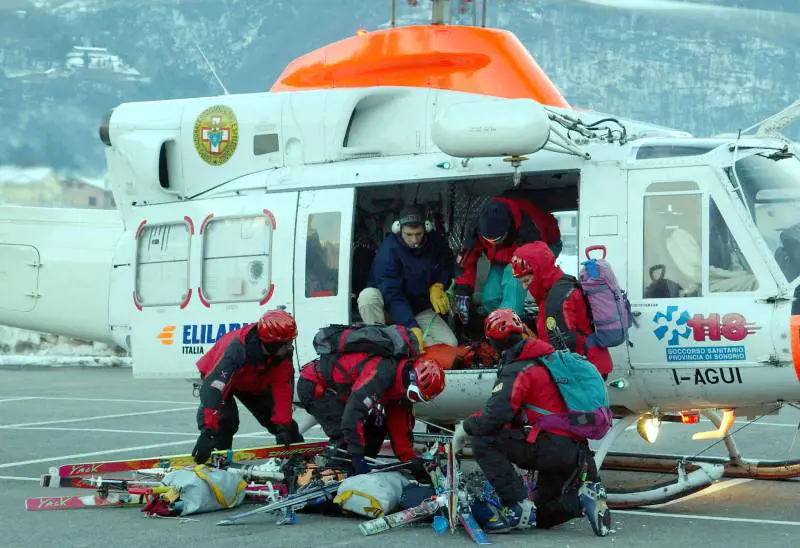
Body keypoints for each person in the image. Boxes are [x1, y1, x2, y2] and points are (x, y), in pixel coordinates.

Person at [459, 308, 611, 536]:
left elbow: (495, 418)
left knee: (483, 439)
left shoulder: (519, 368)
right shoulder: (547, 360)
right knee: (541, 516)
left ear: (492, 341)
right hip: (573, 452)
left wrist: (464, 428)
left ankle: (516, 506)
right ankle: (581, 500)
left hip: (549, 447)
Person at [296, 349, 445, 480]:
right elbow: (352, 417)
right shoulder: (381, 375)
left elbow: (399, 431)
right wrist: (357, 457)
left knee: (377, 427)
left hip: (340, 393)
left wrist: (412, 462)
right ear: (411, 378)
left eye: (419, 399)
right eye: (415, 395)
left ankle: (353, 473)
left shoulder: (401, 390)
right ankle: (327, 478)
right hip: (315, 385)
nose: (412, 400)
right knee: (346, 437)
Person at [191, 309, 304, 464]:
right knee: (226, 421)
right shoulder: (237, 349)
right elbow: (214, 390)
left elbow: (283, 388)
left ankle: (302, 460)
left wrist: (282, 425)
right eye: (287, 343)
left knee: (285, 427)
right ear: (272, 343)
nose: (290, 347)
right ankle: (217, 465)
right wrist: (207, 432)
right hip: (221, 378)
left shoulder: (282, 354)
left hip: (251, 381)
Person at [358, 205, 457, 349]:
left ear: (426, 228)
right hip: (388, 309)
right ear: (398, 229)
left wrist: (439, 285)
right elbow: (392, 294)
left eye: (419, 234)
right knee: (368, 297)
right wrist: (411, 326)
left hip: (417, 308)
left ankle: (404, 344)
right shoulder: (388, 252)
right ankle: (380, 343)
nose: (415, 240)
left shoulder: (435, 242)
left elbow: (447, 263)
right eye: (408, 235)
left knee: (451, 344)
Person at [511, 241, 613, 378]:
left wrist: (527, 351)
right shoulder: (561, 284)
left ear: (539, 272)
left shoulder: (556, 298)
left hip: (583, 371)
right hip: (591, 363)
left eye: (526, 280)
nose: (524, 287)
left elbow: (560, 346)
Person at [454, 197, 561, 322]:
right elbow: (466, 261)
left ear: (507, 230)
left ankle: (511, 325)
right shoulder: (478, 228)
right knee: (490, 295)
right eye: (488, 241)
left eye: (496, 240)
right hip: (503, 254)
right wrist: (463, 293)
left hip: (545, 245)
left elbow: (538, 257)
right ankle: (496, 325)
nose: (492, 244)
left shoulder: (529, 227)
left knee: (513, 281)